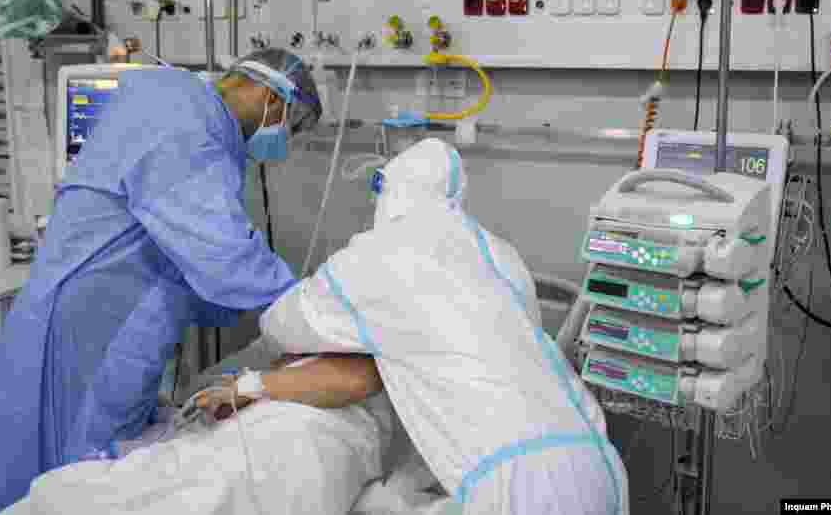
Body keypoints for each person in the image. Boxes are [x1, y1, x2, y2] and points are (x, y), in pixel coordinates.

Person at [0, 48, 324, 515]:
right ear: (273, 96)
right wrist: (309, 305)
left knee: (85, 475)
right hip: (83, 333)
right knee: (62, 482)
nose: (283, 142)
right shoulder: (184, 124)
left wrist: (239, 302)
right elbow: (222, 251)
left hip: (106, 323)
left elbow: (186, 256)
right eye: (290, 127)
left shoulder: (188, 114)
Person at [255, 137, 630, 514]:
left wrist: (253, 380)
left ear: (387, 190)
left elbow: (284, 324)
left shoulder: (378, 255)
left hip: (516, 489)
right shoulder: (501, 256)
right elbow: (480, 385)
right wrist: (402, 487)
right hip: (599, 465)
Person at [0, 349, 392, 515]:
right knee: (151, 478)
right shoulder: (295, 358)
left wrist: (249, 388)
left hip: (307, 438)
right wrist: (244, 393)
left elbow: (357, 379)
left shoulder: (362, 354)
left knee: (213, 490)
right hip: (252, 435)